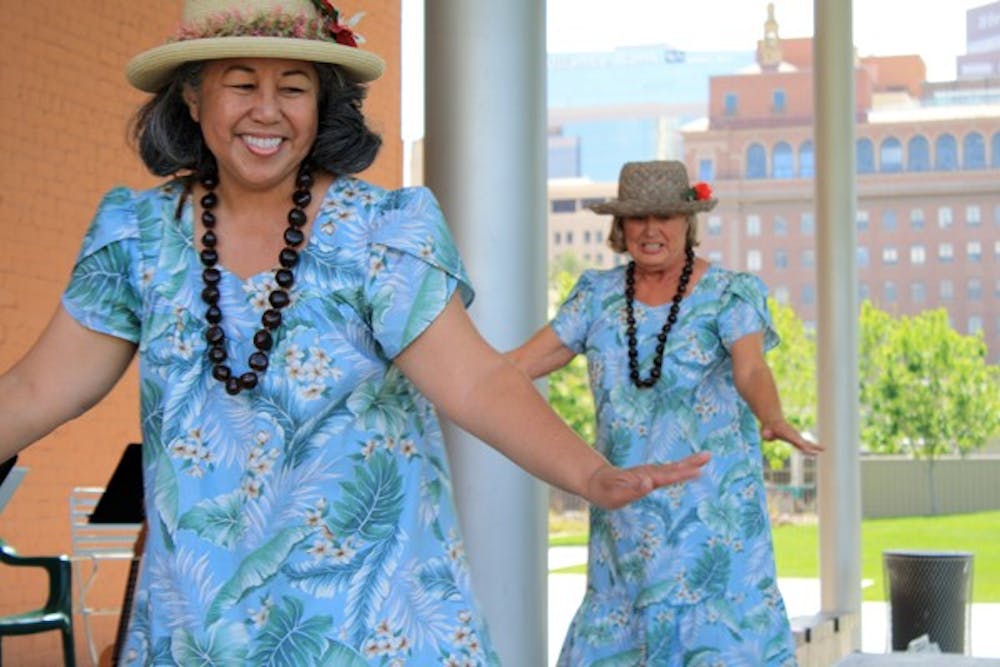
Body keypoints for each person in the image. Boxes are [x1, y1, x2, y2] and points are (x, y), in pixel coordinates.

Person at [0, 3, 712, 665]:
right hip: (203, 630)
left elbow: (477, 380)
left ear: (324, 102)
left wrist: (588, 472)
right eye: (240, 83)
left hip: (377, 627)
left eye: (295, 87)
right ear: (191, 96)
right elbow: (38, 387)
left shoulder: (380, 231)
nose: (267, 111)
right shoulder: (138, 237)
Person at [508, 160, 824, 666]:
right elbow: (516, 368)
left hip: (713, 529)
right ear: (621, 227)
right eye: (638, 218)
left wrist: (772, 415)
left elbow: (751, 369)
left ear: (688, 223)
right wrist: (435, 373)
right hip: (626, 525)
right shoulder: (596, 296)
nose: (651, 230)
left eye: (666, 217)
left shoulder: (729, 293)